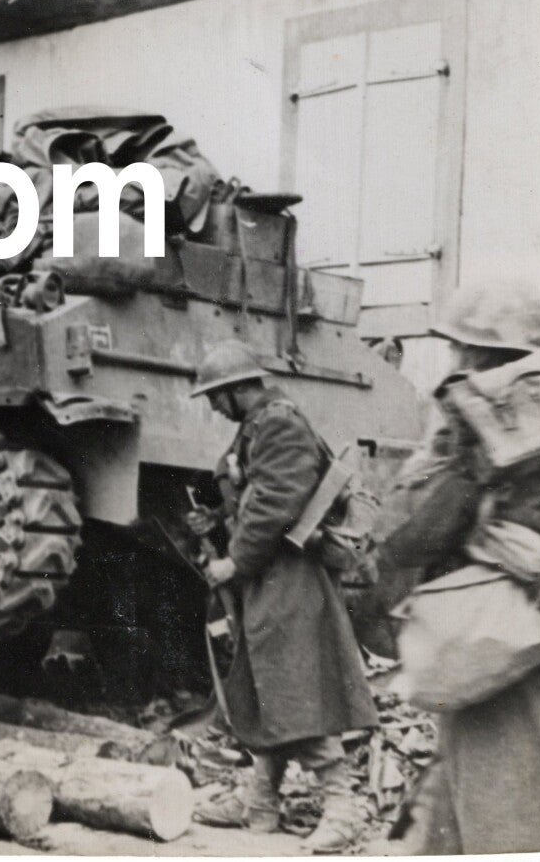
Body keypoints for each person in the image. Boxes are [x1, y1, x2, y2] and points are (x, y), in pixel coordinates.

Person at [377, 280, 540, 853]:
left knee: (516, 818)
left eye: (468, 351)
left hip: (517, 657)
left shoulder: (521, 437)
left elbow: (406, 536)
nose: (459, 364)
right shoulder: (481, 432)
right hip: (482, 656)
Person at [188, 339, 377, 852]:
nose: (212, 408)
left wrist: (235, 559)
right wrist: (218, 519)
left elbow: (275, 502)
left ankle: (342, 808)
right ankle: (260, 801)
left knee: (293, 690)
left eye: (214, 397)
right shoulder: (257, 426)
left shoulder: (278, 424)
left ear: (235, 390)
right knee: (263, 684)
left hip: (289, 578)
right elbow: (254, 496)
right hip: (269, 577)